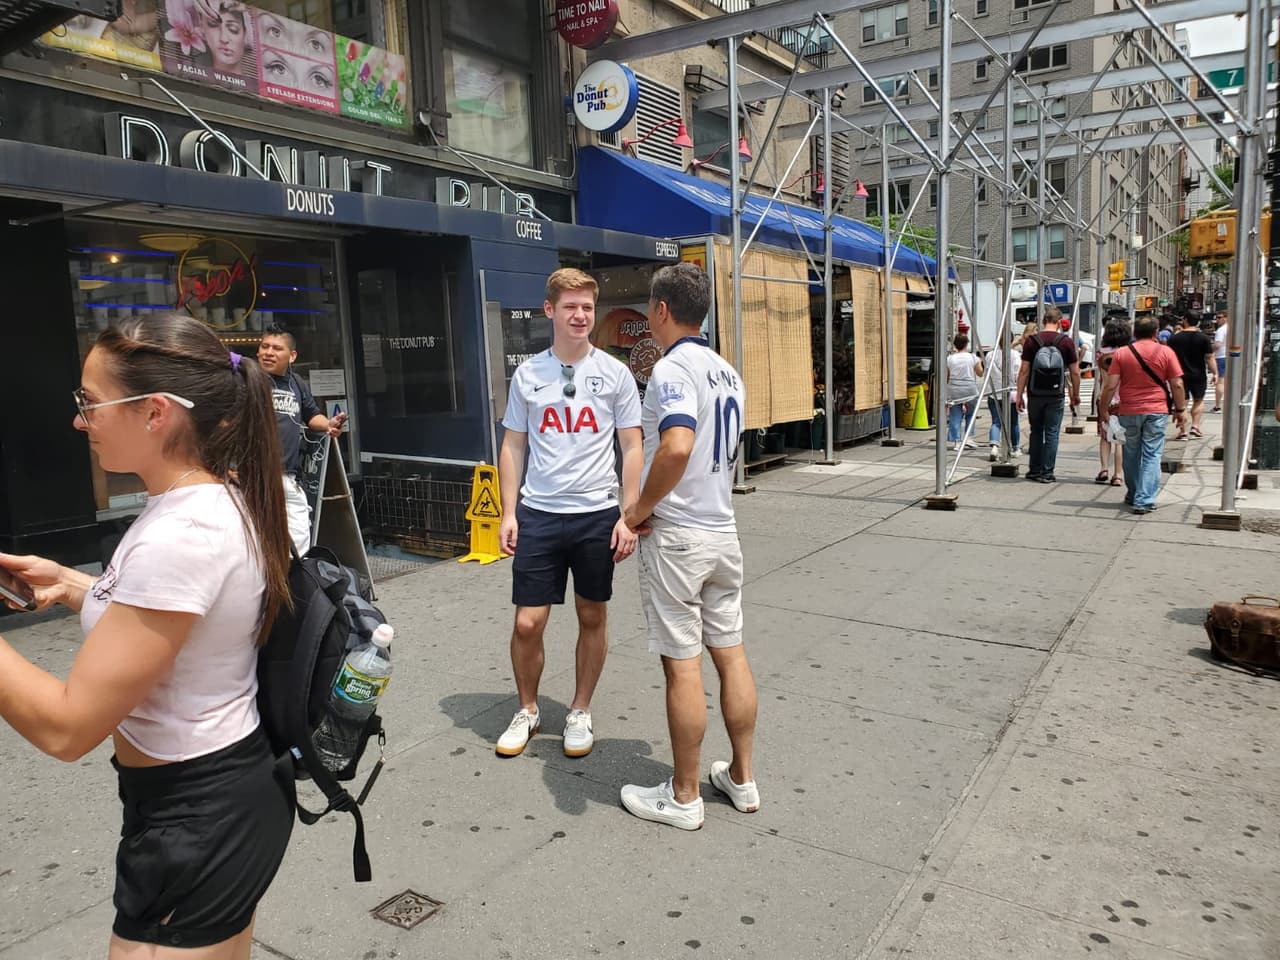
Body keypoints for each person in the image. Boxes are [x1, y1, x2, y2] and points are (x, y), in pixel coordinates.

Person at [0, 313, 293, 958]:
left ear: (155, 412)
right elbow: (181, 620)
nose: (80, 420)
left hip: (196, 813)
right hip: (212, 799)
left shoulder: (181, 534)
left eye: (91, 402)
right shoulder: (208, 499)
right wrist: (69, 583)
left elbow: (67, 728)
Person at [619, 262, 758, 831]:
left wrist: (637, 510)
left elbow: (676, 446)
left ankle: (683, 795)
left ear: (661, 310)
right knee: (731, 653)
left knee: (682, 666)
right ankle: (742, 778)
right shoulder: (727, 372)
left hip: (678, 536)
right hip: (723, 530)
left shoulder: (673, 368)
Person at [495, 268, 643, 759]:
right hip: (539, 513)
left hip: (596, 513)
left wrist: (629, 514)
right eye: (570, 307)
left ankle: (580, 709)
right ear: (549, 310)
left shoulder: (615, 374)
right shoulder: (528, 374)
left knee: (591, 613)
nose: (580, 316)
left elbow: (632, 445)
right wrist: (508, 512)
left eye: (587, 307)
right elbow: (513, 445)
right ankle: (528, 709)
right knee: (527, 623)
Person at [256, 327, 346, 554]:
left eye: (277, 348)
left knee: (299, 540)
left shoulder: (296, 383)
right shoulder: (248, 380)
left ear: (292, 356)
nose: (269, 352)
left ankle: (291, 575)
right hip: (255, 477)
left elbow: (312, 415)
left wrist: (328, 424)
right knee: (259, 542)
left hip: (288, 475)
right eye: (264, 346)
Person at [1096, 315, 1187, 515]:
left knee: (1130, 452)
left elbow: (1110, 385)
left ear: (1134, 333)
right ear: (1156, 332)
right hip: (1157, 409)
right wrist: (1180, 410)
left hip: (1129, 409)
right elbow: (1177, 384)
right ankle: (1144, 499)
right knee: (1152, 454)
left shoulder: (1122, 353)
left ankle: (1134, 492)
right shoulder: (1166, 352)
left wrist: (1103, 409)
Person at [1016, 306, 1081, 484]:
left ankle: (1034, 470)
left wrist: (1019, 394)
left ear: (1044, 321)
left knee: (1036, 430)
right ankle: (1047, 472)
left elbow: (1024, 371)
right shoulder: (1066, 342)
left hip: (1035, 393)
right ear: (1059, 322)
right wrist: (1075, 394)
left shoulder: (1032, 341)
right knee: (1052, 433)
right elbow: (1075, 372)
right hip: (1056, 394)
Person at [1093, 319, 1132, 487]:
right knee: (1120, 439)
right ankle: (1117, 474)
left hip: (1105, 398)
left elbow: (1103, 377)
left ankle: (1103, 469)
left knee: (1105, 436)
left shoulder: (1100, 354)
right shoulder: (1128, 353)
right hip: (1124, 398)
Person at [1168, 314, 1216, 439]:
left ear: (1185, 320)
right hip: (1198, 374)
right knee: (1198, 400)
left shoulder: (1174, 338)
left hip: (1178, 374)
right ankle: (1195, 426)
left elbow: (1169, 357)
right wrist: (1215, 373)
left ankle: (1183, 431)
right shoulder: (1203, 338)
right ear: (1198, 322)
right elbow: (1209, 357)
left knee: (1181, 402)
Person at [985, 326, 1029, 460]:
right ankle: (1015, 447)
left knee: (996, 422)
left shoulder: (990, 355)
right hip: (1011, 392)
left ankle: (994, 446)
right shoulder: (1015, 355)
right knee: (1013, 422)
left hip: (994, 392)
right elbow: (1017, 374)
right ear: (1011, 340)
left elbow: (987, 373)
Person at [945, 334, 983, 451]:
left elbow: (947, 376)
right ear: (967, 344)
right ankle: (968, 438)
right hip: (969, 388)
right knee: (971, 413)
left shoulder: (950, 358)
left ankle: (956, 441)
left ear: (955, 344)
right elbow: (980, 373)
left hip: (954, 388)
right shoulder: (973, 357)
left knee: (955, 414)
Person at [1212, 311, 1228, 412]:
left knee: (1220, 382)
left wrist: (1209, 349)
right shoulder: (1232, 329)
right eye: (1216, 318)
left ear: (1225, 318)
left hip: (1221, 357)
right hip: (1230, 356)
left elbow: (1217, 345)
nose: (1217, 320)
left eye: (1219, 317)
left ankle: (1218, 406)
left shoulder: (1221, 330)